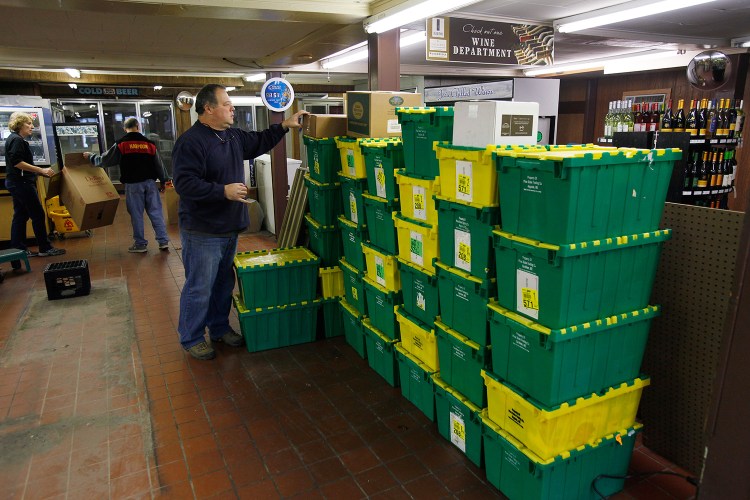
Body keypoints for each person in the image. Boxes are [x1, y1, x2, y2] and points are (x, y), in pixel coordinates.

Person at [172, 84, 307, 360]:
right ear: (208, 108)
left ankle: (219, 328)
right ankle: (192, 337)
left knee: (223, 283)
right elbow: (184, 185)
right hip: (203, 230)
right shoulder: (191, 142)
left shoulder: (232, 136)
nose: (232, 108)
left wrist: (285, 126)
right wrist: (222, 191)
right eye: (226, 103)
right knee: (200, 286)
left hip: (230, 227)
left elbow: (258, 141)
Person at [84, 117, 170, 253]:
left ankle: (140, 244)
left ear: (125, 129)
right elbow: (159, 165)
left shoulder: (121, 144)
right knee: (156, 212)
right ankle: (163, 241)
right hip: (150, 184)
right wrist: (164, 180)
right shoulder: (149, 144)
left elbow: (105, 160)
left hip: (133, 185)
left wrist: (91, 157)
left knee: (136, 215)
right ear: (138, 126)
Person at [4, 112, 66, 258]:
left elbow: (19, 164)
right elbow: (17, 163)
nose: (32, 127)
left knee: (20, 215)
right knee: (37, 214)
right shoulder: (17, 140)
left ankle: (18, 249)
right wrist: (40, 169)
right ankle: (44, 248)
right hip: (22, 183)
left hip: (16, 182)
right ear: (20, 125)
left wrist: (39, 173)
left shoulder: (14, 139)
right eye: (29, 124)